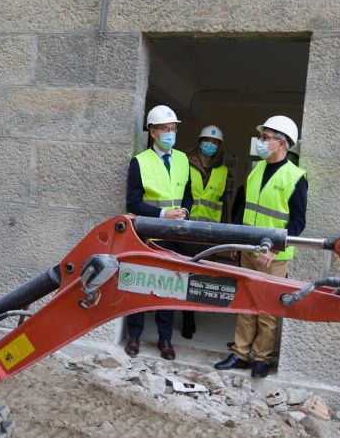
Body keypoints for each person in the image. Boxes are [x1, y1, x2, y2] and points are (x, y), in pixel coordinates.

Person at [215, 116, 306, 379]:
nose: (262, 142)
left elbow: (298, 224)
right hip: (249, 250)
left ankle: (262, 358)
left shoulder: (295, 178)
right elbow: (245, 210)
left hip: (274, 257)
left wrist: (274, 250)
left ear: (282, 143)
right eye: (262, 137)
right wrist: (238, 242)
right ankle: (240, 353)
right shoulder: (256, 170)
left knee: (266, 309)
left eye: (266, 138)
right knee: (245, 303)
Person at [124, 105, 192, 360]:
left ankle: (165, 339)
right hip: (149, 234)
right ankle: (134, 336)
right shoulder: (140, 162)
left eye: (173, 129)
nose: (170, 134)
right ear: (152, 133)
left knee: (169, 286)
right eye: (165, 129)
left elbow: (188, 194)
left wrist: (185, 211)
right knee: (140, 284)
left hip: (175, 235)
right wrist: (163, 215)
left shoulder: (184, 159)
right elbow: (133, 202)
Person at [181, 125, 231, 340]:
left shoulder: (223, 170)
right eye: (206, 141)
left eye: (214, 143)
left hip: (208, 233)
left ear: (218, 146)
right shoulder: (184, 162)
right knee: (181, 271)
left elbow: (224, 203)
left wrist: (226, 235)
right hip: (184, 229)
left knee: (200, 275)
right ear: (199, 141)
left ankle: (190, 313)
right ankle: (184, 315)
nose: (210, 145)